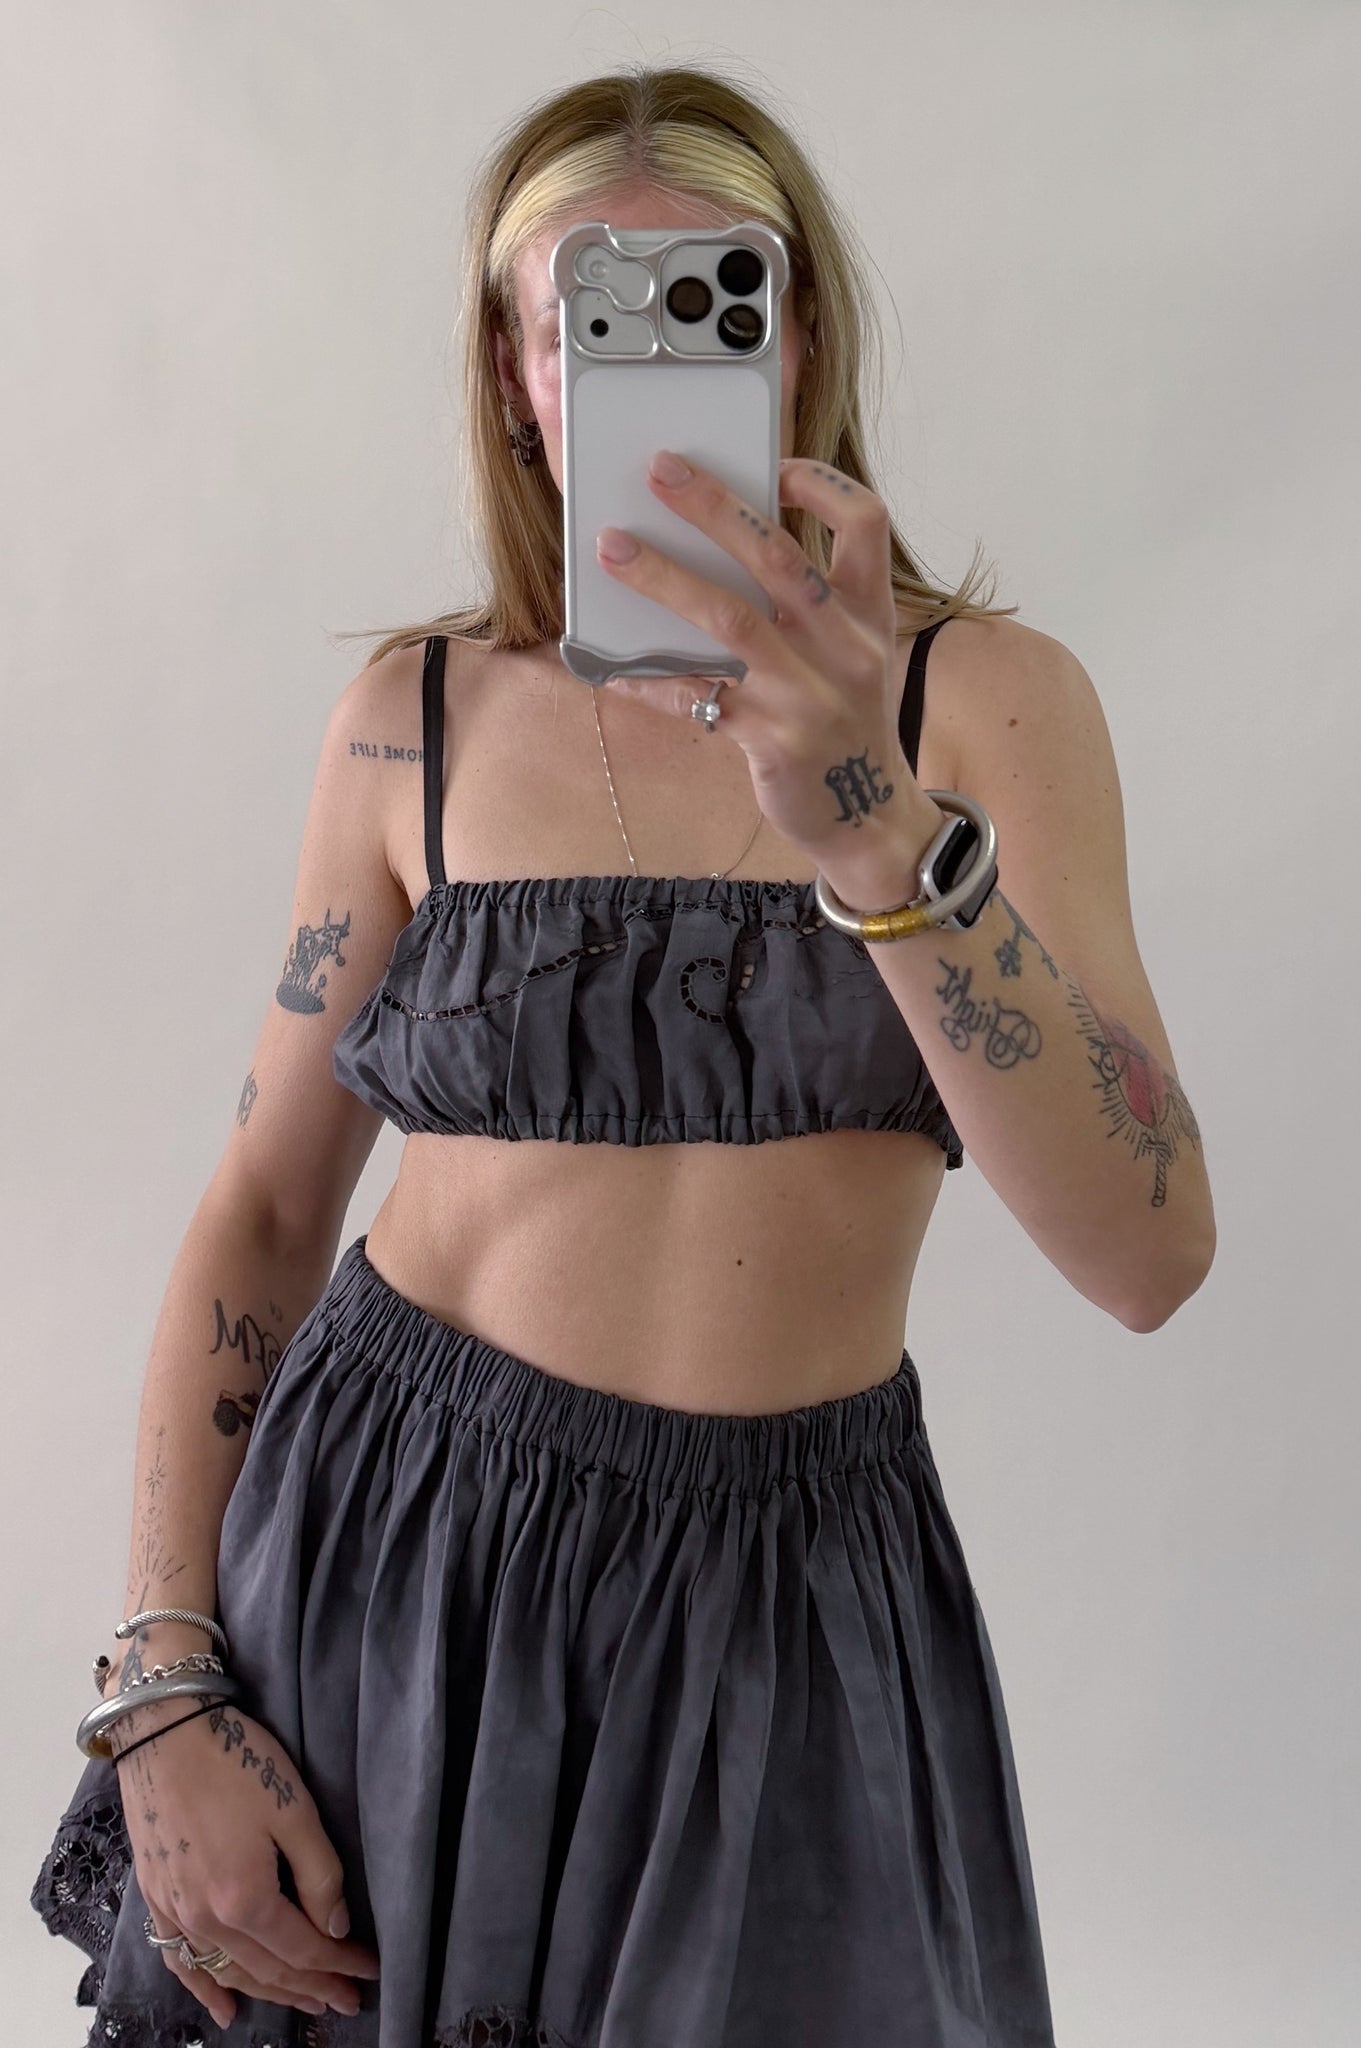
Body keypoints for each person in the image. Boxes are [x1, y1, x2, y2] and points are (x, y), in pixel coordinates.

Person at [31, 60, 1215, 2048]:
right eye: (590, 318)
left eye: (713, 305)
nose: (649, 368)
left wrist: (871, 826)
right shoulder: (413, 718)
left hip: (788, 1612)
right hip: (392, 1572)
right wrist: (163, 1683)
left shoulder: (984, 708)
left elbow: (1149, 1251)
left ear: (799, 341)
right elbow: (261, 1214)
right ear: (515, 377)